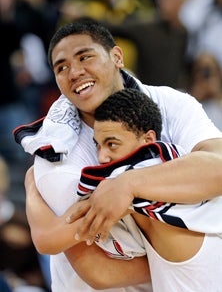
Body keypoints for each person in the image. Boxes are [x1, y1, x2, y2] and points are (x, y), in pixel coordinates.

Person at [13, 18, 222, 291]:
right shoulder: (54, 152)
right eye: (61, 67)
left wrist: (128, 185)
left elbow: (217, 167)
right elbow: (99, 271)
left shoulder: (173, 103)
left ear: (117, 57)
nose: (74, 72)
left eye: (84, 56)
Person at [74, 87, 222, 291]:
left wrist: (35, 189)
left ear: (148, 141)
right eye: (98, 146)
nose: (101, 157)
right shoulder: (185, 168)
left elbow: (93, 269)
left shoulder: (129, 189)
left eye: (112, 144)